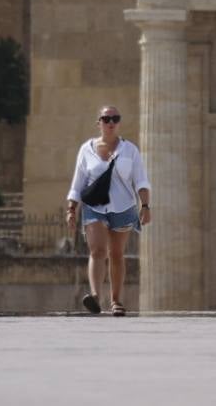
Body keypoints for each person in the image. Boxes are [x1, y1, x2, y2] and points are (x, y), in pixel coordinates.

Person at [65, 105, 151, 316]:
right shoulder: (86, 149)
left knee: (116, 254)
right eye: (106, 119)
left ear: (119, 123)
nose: (111, 122)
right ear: (99, 123)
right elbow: (78, 182)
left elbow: (140, 180)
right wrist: (71, 208)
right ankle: (95, 296)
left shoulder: (130, 150)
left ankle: (116, 300)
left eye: (115, 118)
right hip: (95, 206)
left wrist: (146, 205)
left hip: (123, 207)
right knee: (97, 250)